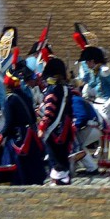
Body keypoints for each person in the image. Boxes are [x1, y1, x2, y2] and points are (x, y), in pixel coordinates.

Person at [0, 56, 46, 186]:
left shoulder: (9, 99)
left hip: (17, 136)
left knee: (14, 166)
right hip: (29, 134)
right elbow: (33, 118)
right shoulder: (26, 96)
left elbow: (9, 121)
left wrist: (1, 135)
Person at [37, 57, 75, 186]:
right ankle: (64, 179)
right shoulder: (66, 90)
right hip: (65, 129)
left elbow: (49, 111)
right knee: (62, 157)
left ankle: (58, 182)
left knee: (54, 159)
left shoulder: (52, 90)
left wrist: (42, 127)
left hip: (53, 131)